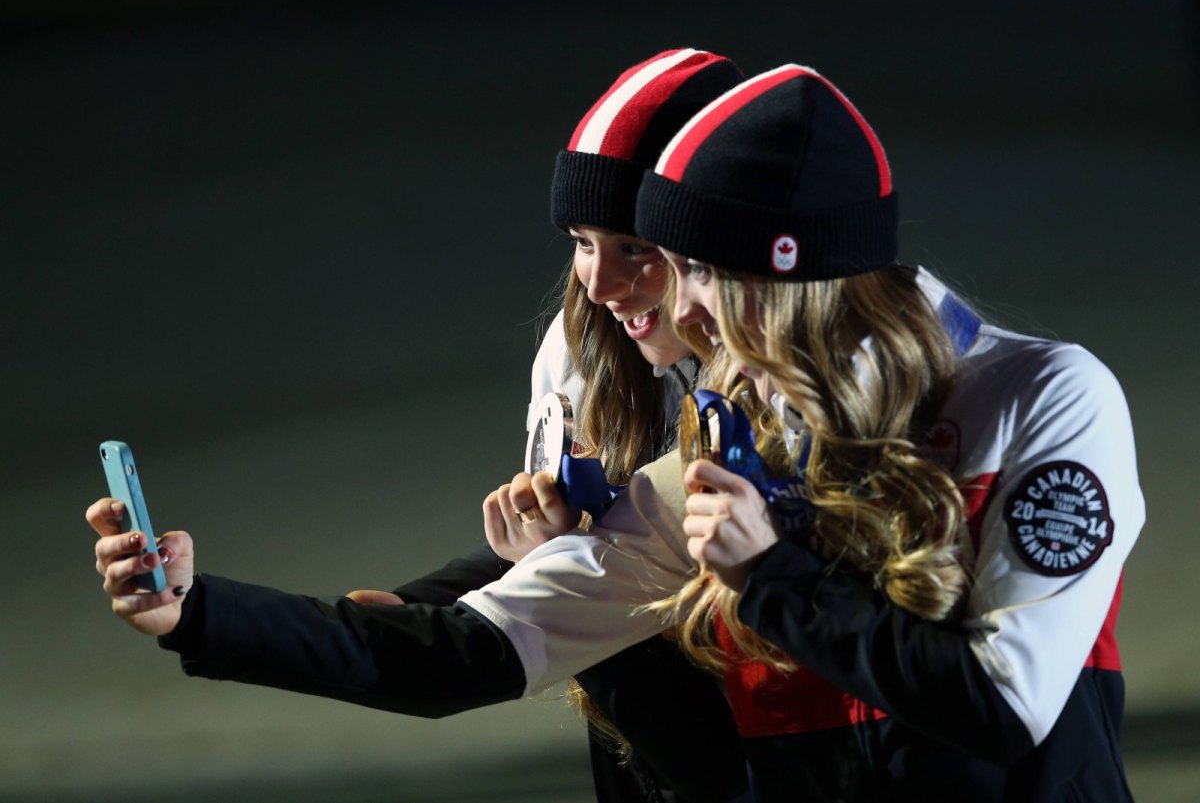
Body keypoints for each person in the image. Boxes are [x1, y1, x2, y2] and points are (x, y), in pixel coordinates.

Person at [89, 49, 751, 803]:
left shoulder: (785, 403)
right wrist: (423, 605)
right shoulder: (594, 345)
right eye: (581, 242)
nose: (599, 285)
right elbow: (606, 556)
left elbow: (570, 599)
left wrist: (204, 615)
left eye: (635, 246)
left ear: (719, 243)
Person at [626, 64, 1145, 801]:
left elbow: (1004, 704)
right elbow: (583, 575)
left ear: (788, 274)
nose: (683, 314)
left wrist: (774, 578)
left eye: (703, 270)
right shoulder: (745, 423)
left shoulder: (1048, 395)